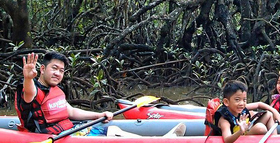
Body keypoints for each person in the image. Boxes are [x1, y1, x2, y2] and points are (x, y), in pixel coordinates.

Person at [15, 52, 184, 137]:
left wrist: (99, 114)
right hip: (54, 138)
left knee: (110, 128)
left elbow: (71, 112)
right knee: (112, 132)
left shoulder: (56, 90)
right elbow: (29, 92)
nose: (58, 74)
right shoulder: (32, 90)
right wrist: (27, 78)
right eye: (54, 69)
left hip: (70, 132)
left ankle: (161, 141)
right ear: (42, 69)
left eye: (61, 70)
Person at [211, 80, 280, 143]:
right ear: (226, 102)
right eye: (237, 100)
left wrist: (274, 111)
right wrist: (240, 131)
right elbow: (227, 140)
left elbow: (259, 104)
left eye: (244, 100)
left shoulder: (239, 108)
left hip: (245, 130)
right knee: (260, 128)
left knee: (269, 114)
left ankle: (275, 141)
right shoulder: (224, 120)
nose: (242, 103)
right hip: (238, 136)